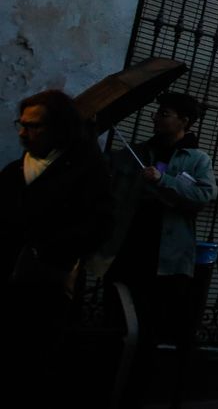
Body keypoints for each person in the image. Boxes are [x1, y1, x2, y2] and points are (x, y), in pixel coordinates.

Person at [93, 92, 217, 405]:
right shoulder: (137, 152)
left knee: (150, 329)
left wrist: (164, 180)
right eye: (158, 113)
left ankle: (138, 392)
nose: (157, 118)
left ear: (184, 122)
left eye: (166, 113)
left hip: (165, 257)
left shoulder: (196, 159)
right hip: (129, 249)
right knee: (116, 323)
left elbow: (203, 195)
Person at [0, 89, 113, 404]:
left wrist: (48, 251)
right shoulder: (14, 172)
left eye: (34, 126)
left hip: (48, 284)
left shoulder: (86, 172)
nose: (25, 132)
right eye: (22, 124)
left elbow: (100, 225)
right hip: (10, 280)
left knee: (37, 365)